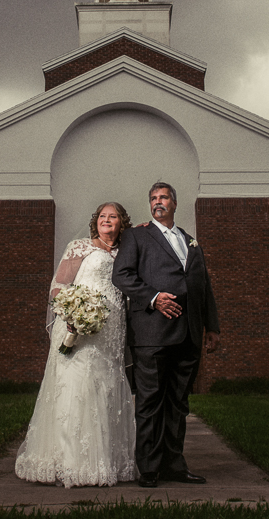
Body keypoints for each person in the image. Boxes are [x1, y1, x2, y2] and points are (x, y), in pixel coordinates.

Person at [14, 202, 137, 488]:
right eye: (103, 216)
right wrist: (73, 314)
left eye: (114, 216)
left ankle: (108, 461)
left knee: (107, 386)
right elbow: (59, 286)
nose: (107, 220)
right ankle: (71, 463)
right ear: (96, 221)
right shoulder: (80, 247)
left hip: (112, 330)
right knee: (78, 386)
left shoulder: (126, 251)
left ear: (122, 223)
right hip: (79, 326)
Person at [112, 181, 220, 488]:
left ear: (174, 203)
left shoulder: (190, 241)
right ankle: (148, 469)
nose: (158, 202)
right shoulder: (136, 236)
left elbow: (203, 286)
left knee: (178, 404)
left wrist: (211, 326)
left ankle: (174, 465)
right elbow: (121, 275)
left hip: (188, 335)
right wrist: (153, 297)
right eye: (153, 198)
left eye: (164, 197)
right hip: (152, 333)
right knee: (149, 403)